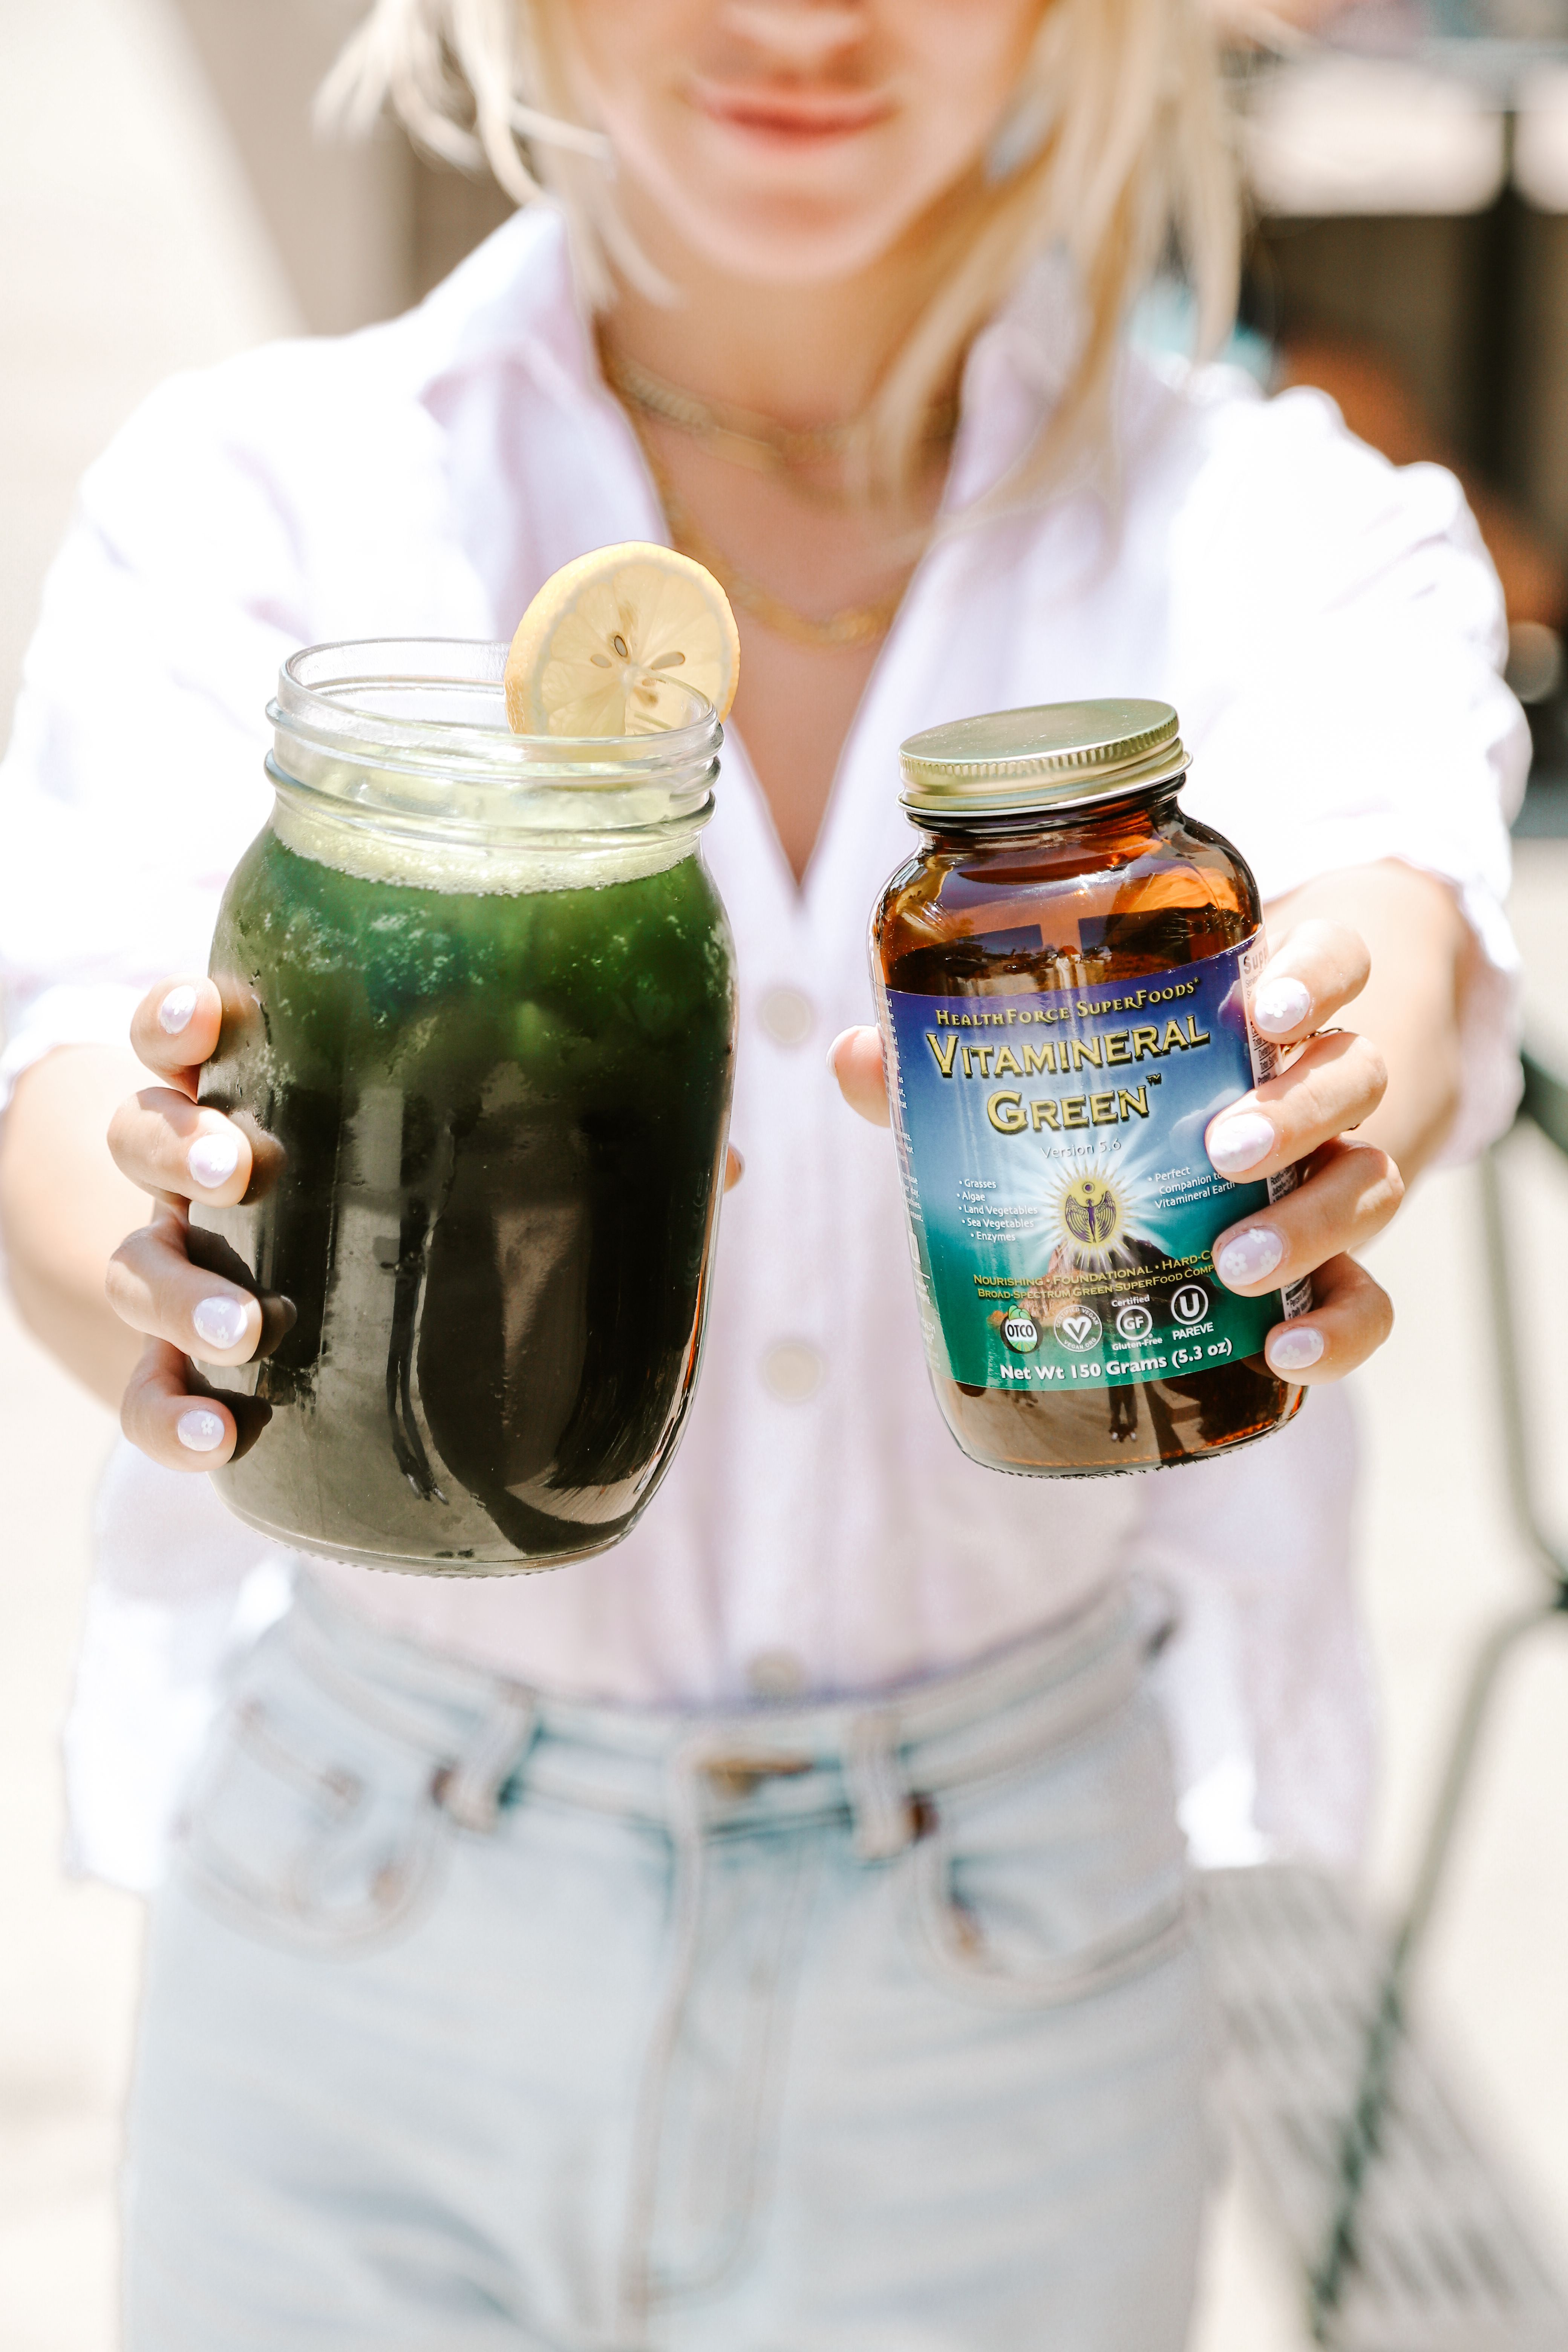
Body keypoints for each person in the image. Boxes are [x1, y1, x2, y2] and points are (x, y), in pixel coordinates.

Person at [0, 0, 1523, 2344]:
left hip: (1005, 1954)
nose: (802, 20)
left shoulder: (1275, 526)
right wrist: (165, 1234)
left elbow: (1396, 920)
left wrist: (1323, 1092)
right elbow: (70, 1063)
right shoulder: (268, 494)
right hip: (365, 1922)